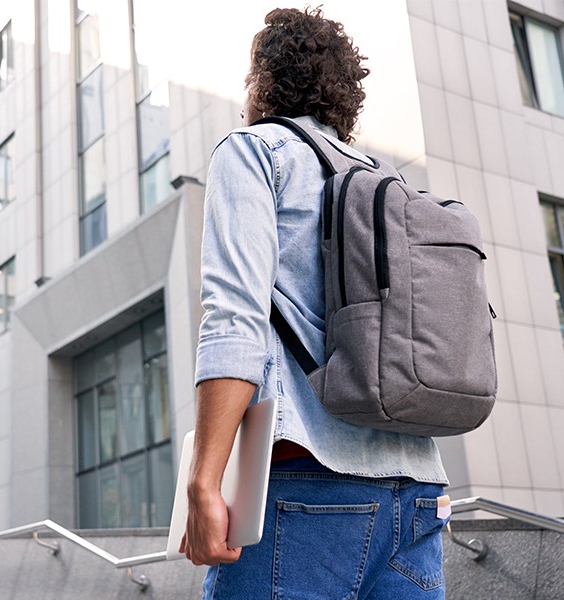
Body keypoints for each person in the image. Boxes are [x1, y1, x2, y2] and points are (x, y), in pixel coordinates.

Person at [181, 7, 450, 599]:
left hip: (307, 487)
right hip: (419, 496)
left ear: (261, 80)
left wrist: (205, 479)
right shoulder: (387, 181)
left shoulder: (254, 152)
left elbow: (234, 318)